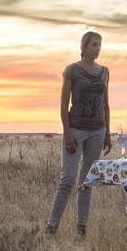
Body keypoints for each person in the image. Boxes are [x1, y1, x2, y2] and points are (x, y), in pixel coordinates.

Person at [45, 30, 111, 236]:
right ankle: (52, 227)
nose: (97, 48)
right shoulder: (72, 70)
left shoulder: (104, 71)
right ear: (84, 46)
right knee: (68, 179)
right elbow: (64, 103)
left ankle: (82, 227)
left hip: (97, 130)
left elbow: (106, 104)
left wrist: (108, 132)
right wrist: (67, 133)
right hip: (76, 129)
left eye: (99, 45)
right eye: (94, 44)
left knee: (87, 180)